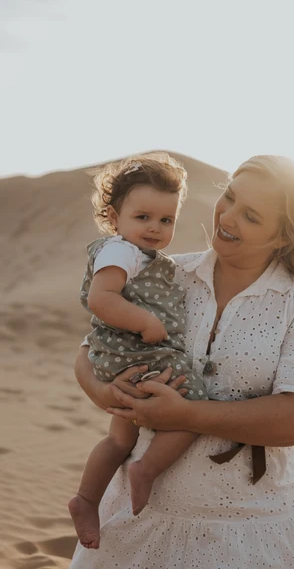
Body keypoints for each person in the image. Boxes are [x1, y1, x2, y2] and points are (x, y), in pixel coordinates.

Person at [70, 154, 294, 569]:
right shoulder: (167, 271)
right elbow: (89, 350)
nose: (227, 217)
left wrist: (190, 414)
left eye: (251, 216)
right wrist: (106, 392)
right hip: (136, 521)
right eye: (228, 197)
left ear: (283, 237)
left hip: (250, 531)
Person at [68, 153, 208, 550]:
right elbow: (100, 299)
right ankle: (146, 470)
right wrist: (145, 322)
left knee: (118, 440)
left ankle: (86, 499)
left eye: (166, 220)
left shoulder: (142, 257)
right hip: (136, 352)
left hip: (122, 356)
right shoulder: (119, 252)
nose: (155, 228)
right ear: (114, 216)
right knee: (193, 409)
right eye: (143, 217)